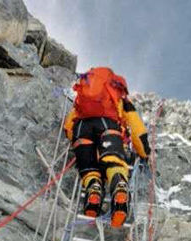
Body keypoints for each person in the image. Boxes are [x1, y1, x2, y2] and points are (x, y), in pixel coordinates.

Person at [64, 67, 151, 228]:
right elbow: (137, 128)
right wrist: (144, 152)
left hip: (81, 128)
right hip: (108, 127)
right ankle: (119, 188)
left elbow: (69, 126)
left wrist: (76, 141)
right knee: (113, 162)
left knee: (89, 169)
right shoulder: (121, 100)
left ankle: (94, 189)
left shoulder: (83, 99)